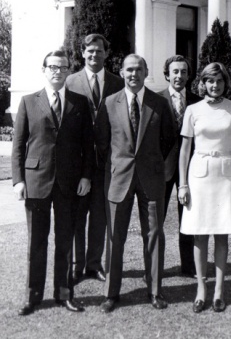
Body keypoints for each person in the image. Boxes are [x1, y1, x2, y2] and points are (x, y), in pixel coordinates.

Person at [12, 50, 94, 315]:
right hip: (36, 181)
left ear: (68, 71)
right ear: (44, 70)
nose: (57, 71)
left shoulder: (80, 103)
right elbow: (18, 146)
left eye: (62, 67)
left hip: (69, 182)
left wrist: (85, 176)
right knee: (36, 241)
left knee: (64, 240)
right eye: (53, 67)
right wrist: (18, 181)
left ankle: (64, 294)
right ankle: (32, 296)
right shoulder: (28, 102)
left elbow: (87, 145)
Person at [95, 54, 177, 313]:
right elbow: (102, 142)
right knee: (114, 237)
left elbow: (168, 137)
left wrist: (152, 162)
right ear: (121, 72)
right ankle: (111, 294)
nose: (134, 74)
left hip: (151, 179)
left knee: (154, 235)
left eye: (138, 70)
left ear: (146, 72)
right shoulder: (109, 103)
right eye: (129, 70)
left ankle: (155, 291)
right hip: (119, 179)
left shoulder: (159, 103)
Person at [176, 62, 231, 313]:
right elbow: (185, 149)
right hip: (199, 176)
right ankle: (201, 288)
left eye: (219, 81)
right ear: (203, 83)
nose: (214, 85)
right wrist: (182, 184)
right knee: (199, 233)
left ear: (225, 83)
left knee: (221, 233)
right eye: (210, 81)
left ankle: (219, 290)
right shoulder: (193, 110)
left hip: (226, 174)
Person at [66, 33, 124, 283]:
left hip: (106, 162)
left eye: (99, 51)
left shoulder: (117, 83)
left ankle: (93, 264)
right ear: (82, 53)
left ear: (106, 53)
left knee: (100, 215)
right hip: (78, 163)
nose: (94, 55)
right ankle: (77, 266)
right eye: (89, 51)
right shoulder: (70, 81)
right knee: (77, 216)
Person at [159, 55, 201, 278]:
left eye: (183, 72)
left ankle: (189, 266)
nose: (179, 76)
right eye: (175, 72)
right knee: (157, 220)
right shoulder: (155, 100)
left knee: (188, 218)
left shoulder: (197, 101)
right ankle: (156, 267)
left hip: (190, 169)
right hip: (162, 168)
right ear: (167, 74)